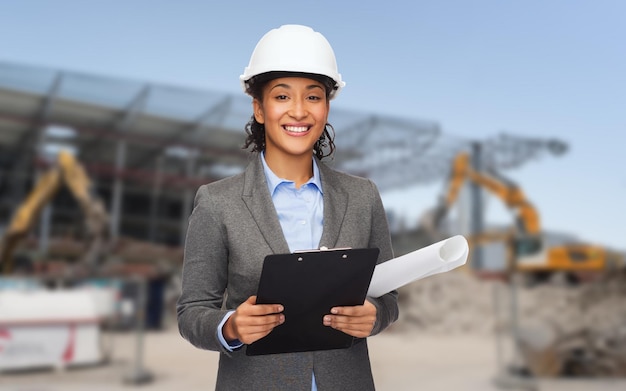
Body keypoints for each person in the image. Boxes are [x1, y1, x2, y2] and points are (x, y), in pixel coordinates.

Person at [177, 24, 399, 390]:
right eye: (282, 97)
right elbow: (192, 311)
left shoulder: (363, 197)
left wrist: (375, 316)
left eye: (313, 97)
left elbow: (388, 296)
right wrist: (230, 326)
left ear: (327, 107)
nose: (298, 112)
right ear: (259, 109)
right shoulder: (218, 203)